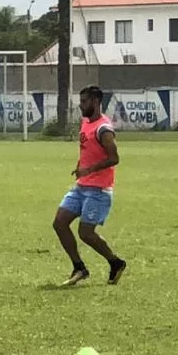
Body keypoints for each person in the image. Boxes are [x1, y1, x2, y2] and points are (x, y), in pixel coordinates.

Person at [53, 85, 127, 286]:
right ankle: (79, 267)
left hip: (99, 190)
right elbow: (86, 150)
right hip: (81, 186)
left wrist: (90, 169)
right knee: (59, 223)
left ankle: (115, 262)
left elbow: (114, 158)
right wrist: (79, 167)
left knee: (85, 233)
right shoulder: (85, 122)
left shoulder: (104, 129)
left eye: (84, 101)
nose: (81, 105)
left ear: (95, 102)